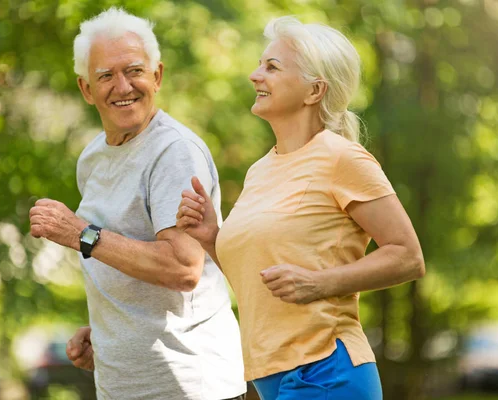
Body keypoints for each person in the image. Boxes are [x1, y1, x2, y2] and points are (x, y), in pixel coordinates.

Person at [176, 16, 425, 400]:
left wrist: (319, 283)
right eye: (260, 64)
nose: (255, 75)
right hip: (271, 377)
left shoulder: (342, 158)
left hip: (326, 371)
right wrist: (212, 238)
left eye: (272, 67)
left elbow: (408, 256)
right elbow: (263, 280)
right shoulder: (260, 170)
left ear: (314, 91)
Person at [28, 8, 246, 400]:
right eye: (106, 76)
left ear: (157, 76)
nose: (122, 86)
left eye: (134, 71)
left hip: (189, 385)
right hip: (123, 384)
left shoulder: (174, 153)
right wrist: (109, 333)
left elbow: (183, 268)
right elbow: (126, 261)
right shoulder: (92, 158)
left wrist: (80, 233)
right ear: (86, 88)